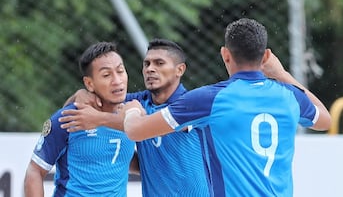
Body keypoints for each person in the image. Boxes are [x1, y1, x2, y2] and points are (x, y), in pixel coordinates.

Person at [118, 18, 331, 196]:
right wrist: (282, 74)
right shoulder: (290, 96)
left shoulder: (211, 99)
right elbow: (325, 120)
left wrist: (133, 111)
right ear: (266, 56)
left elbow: (136, 130)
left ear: (225, 54)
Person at [60, 39, 212, 196]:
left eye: (159, 63)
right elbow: (83, 107)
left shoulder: (191, 104)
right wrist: (80, 94)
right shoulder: (136, 103)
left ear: (179, 70)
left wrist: (99, 118)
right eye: (147, 64)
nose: (150, 69)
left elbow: (145, 126)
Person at [24, 42, 136, 196]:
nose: (117, 80)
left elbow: (135, 162)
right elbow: (35, 171)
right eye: (106, 75)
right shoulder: (69, 118)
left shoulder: (135, 112)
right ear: (89, 83)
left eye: (120, 71)